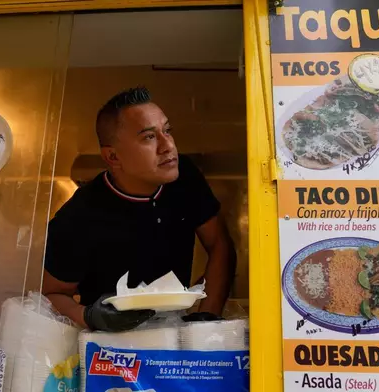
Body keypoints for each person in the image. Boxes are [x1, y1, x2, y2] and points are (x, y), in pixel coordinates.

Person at [42, 86, 236, 332]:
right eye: (149, 137)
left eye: (167, 131)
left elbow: (219, 244)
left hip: (174, 332)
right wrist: (91, 316)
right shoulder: (78, 217)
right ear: (113, 157)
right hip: (110, 343)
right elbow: (51, 294)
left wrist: (206, 318)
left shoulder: (184, 177)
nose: (168, 146)